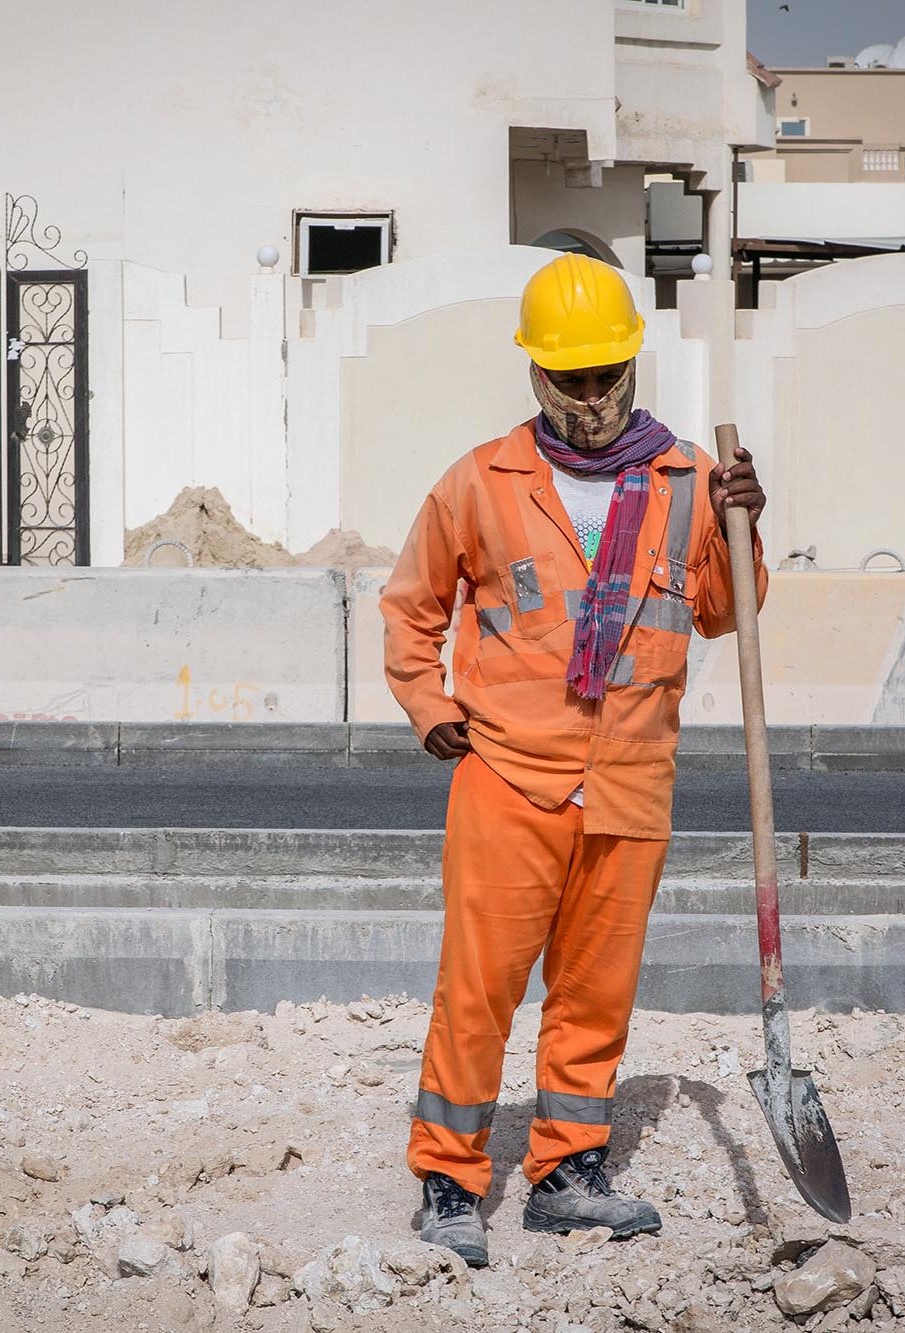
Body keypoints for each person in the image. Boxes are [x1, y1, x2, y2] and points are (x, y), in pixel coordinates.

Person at [380, 252, 767, 1268]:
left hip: (631, 776)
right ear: (535, 375)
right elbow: (410, 605)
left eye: (606, 377)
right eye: (570, 380)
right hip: (509, 775)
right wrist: (429, 706)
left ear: (631, 366)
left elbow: (726, 613)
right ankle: (449, 1178)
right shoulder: (481, 479)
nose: (590, 399)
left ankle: (566, 1171)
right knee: (480, 986)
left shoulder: (685, 477)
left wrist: (744, 526)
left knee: (596, 990)